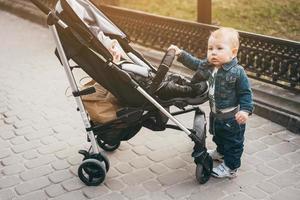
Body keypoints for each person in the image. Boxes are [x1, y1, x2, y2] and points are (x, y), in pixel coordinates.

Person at [168, 27, 254, 178]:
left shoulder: (237, 72)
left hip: (231, 118)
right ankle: (220, 152)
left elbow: (245, 93)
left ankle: (230, 168)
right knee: (218, 136)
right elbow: (194, 63)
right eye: (210, 48)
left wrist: (245, 111)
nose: (213, 52)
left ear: (233, 52)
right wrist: (180, 54)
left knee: (233, 143)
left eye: (219, 48)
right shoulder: (209, 66)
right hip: (216, 114)